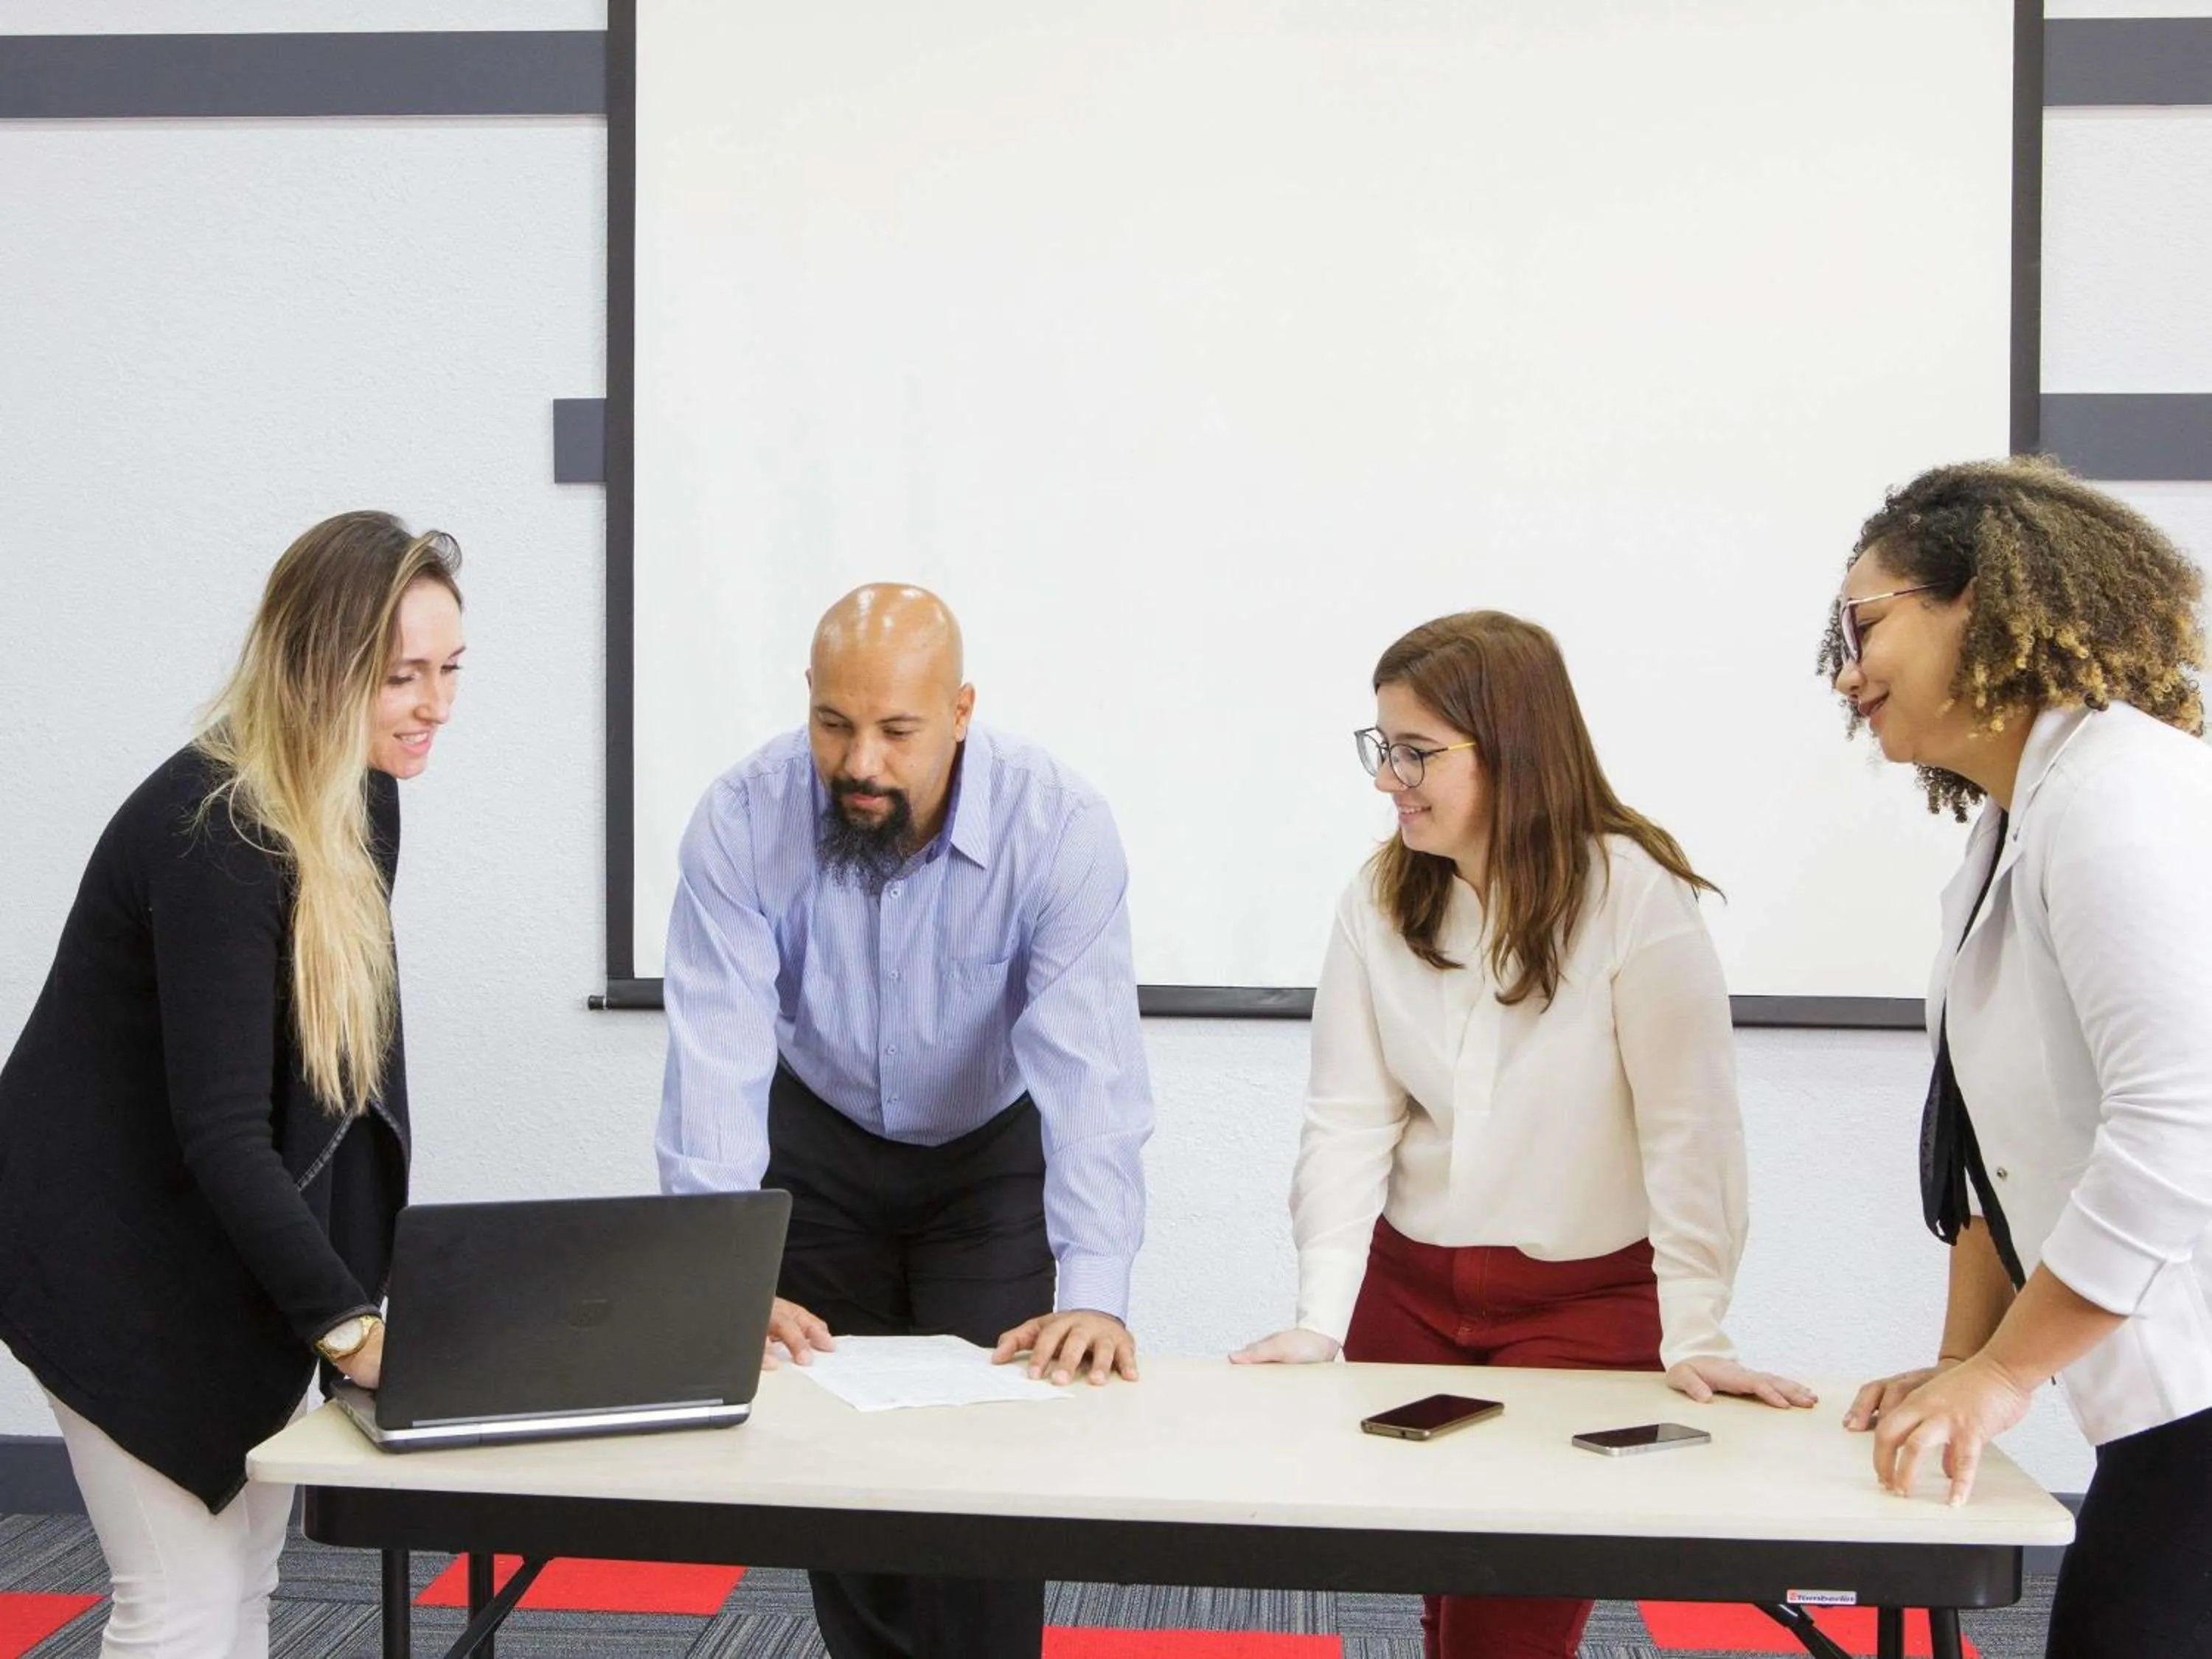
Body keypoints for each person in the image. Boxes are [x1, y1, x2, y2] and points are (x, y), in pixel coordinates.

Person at [1234, 609, 1814, 1659]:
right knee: (1440, 1592)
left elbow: (1691, 1135)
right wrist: (1321, 1318)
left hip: (1585, 1305)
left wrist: (1696, 1332)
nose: (1388, 778)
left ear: (1509, 747)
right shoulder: (1378, 897)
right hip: (1410, 1289)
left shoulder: (1634, 896)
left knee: (1508, 1623)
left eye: (1416, 752)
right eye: (1382, 747)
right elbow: (1350, 1119)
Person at [656, 582, 1152, 1659]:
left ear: (961, 711)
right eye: (834, 724)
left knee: (985, 1472)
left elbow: (1091, 1079)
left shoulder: (1057, 828)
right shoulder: (740, 819)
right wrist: (721, 1280)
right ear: (807, 697)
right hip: (821, 1145)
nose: (861, 763)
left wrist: (1095, 1291)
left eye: (897, 730)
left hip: (987, 1161)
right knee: (841, 1467)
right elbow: (715, 1062)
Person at [0, 511, 465, 1658]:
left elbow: (330, 1085)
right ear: (317, 667)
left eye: (450, 669)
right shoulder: (214, 831)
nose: (435, 705)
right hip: (105, 1250)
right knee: (179, 1599)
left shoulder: (357, 796)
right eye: (400, 675)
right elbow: (221, 1128)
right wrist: (350, 1332)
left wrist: (350, 1299)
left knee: (244, 1584)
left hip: (214, 1239)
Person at [1824, 457, 2212, 1656]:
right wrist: (1965, 1359)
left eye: (1864, 625)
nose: (1847, 672)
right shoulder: (2018, 824)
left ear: (1983, 602)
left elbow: (2177, 1130)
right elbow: (2000, 1154)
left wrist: (1999, 1380)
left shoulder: (2120, 797)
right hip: (2164, 1400)